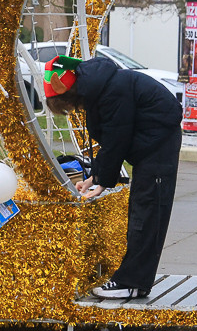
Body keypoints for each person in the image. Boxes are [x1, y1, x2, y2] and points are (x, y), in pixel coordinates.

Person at [43, 53, 183, 299]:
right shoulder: (102, 86)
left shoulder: (110, 92)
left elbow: (117, 139)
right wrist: (95, 176)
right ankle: (136, 282)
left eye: (66, 106)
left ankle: (130, 282)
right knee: (144, 212)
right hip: (152, 145)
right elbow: (112, 139)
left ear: (70, 94)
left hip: (157, 147)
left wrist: (102, 182)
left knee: (147, 214)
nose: (72, 111)